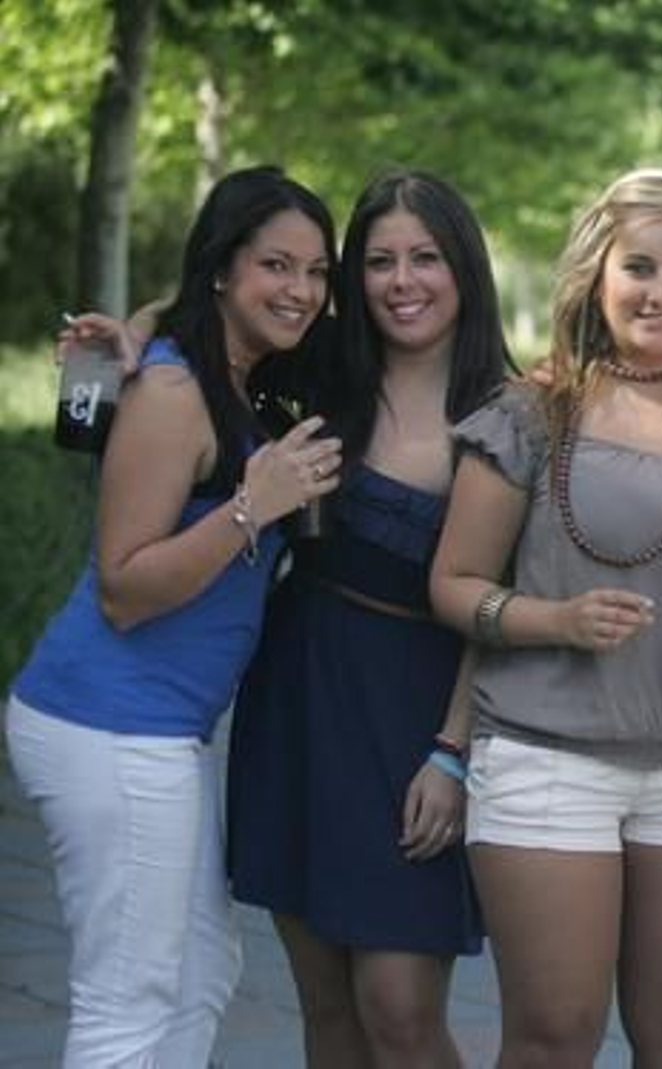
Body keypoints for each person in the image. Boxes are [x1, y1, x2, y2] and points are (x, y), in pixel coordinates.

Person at [429, 167, 662, 1068]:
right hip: (551, 764)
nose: (660, 292)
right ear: (597, 274)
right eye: (639, 267)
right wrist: (556, 619)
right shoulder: (530, 412)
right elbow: (453, 582)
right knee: (555, 1037)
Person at [4, 165, 342, 1067]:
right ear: (223, 269)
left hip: (158, 730)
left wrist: (145, 317)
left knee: (198, 970)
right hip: (110, 721)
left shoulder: (233, 371)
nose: (301, 291)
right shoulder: (172, 393)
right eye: (277, 265)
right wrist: (250, 507)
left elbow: (191, 299)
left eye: (316, 271)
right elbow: (123, 585)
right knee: (128, 998)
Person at [227, 171, 513, 1067]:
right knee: (326, 1003)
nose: (403, 281)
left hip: (418, 712)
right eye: (381, 260)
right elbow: (218, 312)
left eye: (425, 257)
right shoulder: (320, 369)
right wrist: (132, 332)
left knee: (398, 1007)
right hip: (300, 691)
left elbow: (494, 602)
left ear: (463, 267)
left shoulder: (506, 411)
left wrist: (453, 751)